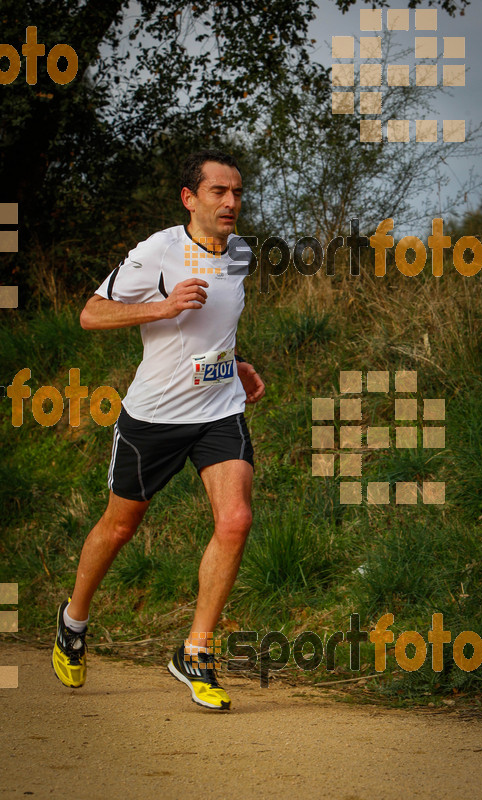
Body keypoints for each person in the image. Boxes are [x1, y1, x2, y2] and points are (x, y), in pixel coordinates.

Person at [52, 150, 265, 710]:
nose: (231, 202)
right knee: (120, 527)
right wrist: (163, 309)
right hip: (154, 418)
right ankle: (73, 621)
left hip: (219, 409)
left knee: (236, 519)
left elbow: (219, 326)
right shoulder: (159, 251)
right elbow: (91, 314)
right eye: (218, 191)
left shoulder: (240, 254)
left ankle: (196, 651)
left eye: (237, 192)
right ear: (189, 198)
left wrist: (235, 363)